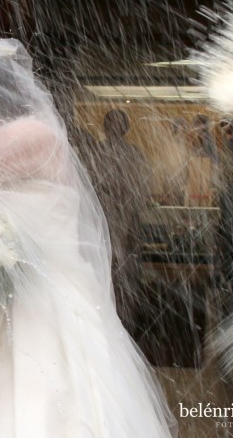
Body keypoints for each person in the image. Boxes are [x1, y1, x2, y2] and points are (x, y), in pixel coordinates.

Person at [0, 40, 176, 438]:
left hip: (42, 296)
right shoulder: (37, 133)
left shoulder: (31, 134)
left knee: (38, 387)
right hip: (35, 289)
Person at [93, 108, 151, 331]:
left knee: (127, 274)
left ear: (126, 128)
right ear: (106, 127)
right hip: (103, 219)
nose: (115, 129)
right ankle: (106, 323)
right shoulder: (96, 151)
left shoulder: (135, 155)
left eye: (120, 124)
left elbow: (144, 187)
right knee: (104, 271)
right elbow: (90, 186)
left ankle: (128, 323)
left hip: (128, 221)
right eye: (111, 124)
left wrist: (127, 200)